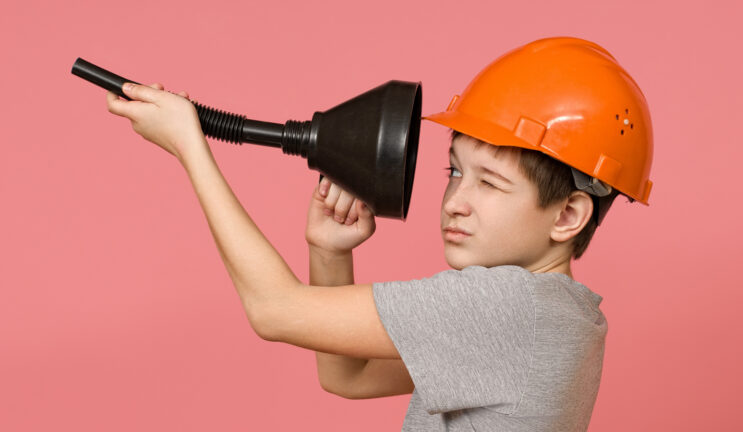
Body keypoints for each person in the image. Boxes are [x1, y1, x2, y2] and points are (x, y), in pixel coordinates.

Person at [105, 36, 653, 431]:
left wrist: (189, 147)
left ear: (567, 215)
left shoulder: (505, 306)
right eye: (455, 171)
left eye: (490, 183)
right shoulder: (561, 318)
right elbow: (348, 376)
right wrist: (328, 251)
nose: (456, 201)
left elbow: (273, 311)